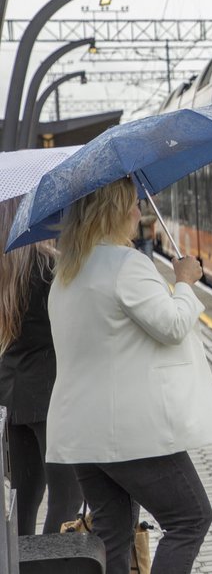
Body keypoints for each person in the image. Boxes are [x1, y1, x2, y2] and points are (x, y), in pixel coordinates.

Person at [46, 178, 212, 574]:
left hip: (80, 431)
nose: (138, 212)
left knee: (113, 532)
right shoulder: (127, 265)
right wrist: (184, 282)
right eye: (131, 204)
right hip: (129, 432)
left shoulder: (67, 273)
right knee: (190, 518)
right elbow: (173, 326)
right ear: (112, 210)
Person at [0, 196, 84, 536]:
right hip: (52, 394)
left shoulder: (7, 269)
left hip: (11, 392)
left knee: (24, 497)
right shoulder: (51, 268)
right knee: (67, 498)